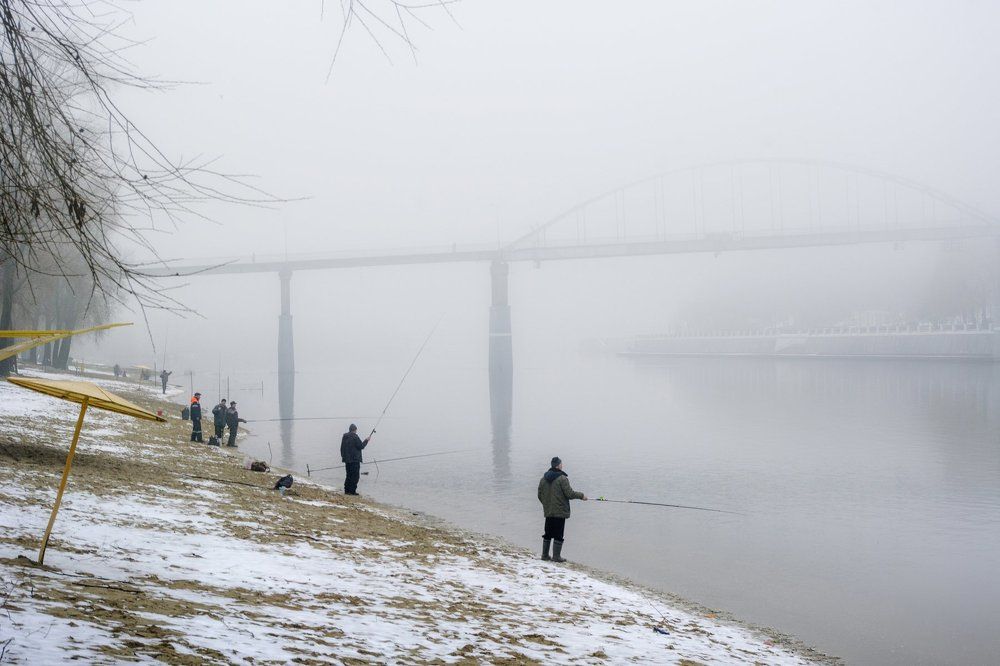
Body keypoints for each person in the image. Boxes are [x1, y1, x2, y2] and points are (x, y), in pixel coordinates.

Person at [537, 456, 587, 563]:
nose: (562, 465)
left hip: (549, 511)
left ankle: (545, 555)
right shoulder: (562, 478)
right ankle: (556, 557)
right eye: (561, 464)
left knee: (548, 533)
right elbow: (569, 494)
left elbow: (539, 495)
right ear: (557, 465)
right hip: (559, 512)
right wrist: (581, 496)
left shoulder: (543, 479)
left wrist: (547, 505)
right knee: (558, 534)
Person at [339, 424, 370, 496]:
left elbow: (342, 448)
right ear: (355, 430)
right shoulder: (355, 436)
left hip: (347, 460)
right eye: (356, 430)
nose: (356, 431)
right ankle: (352, 491)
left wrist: (343, 457)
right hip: (355, 460)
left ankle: (347, 491)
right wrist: (366, 440)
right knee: (355, 476)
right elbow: (361, 446)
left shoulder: (345, 437)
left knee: (349, 475)